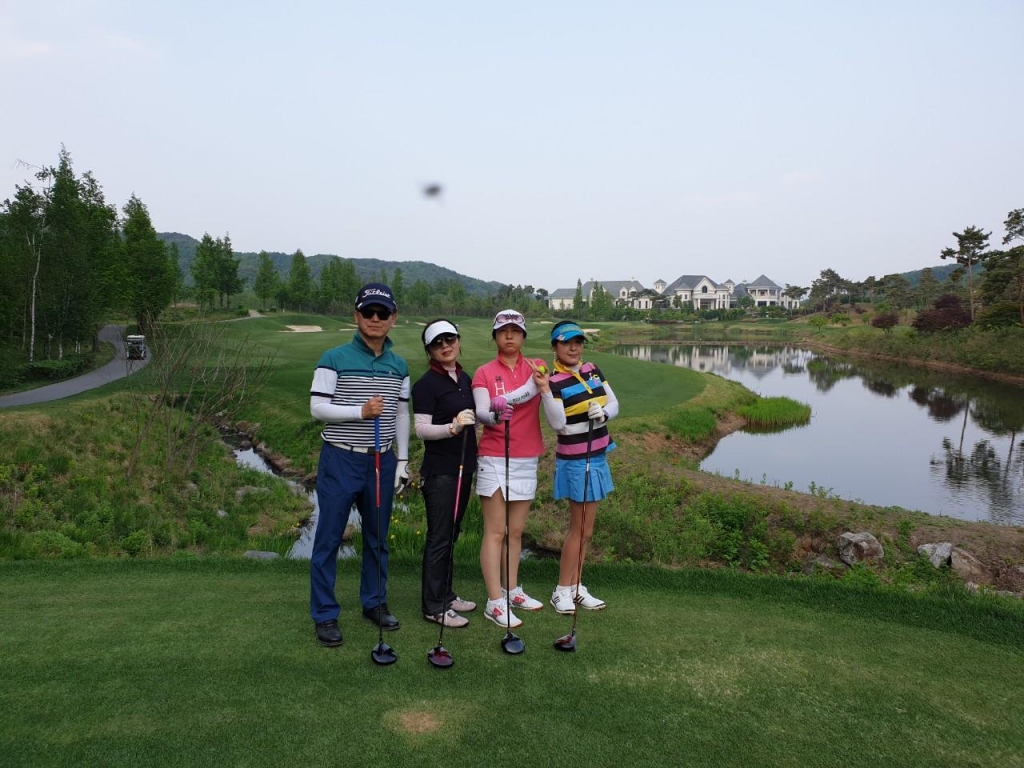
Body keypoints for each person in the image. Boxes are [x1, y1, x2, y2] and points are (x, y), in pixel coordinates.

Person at [307, 283, 411, 647]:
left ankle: (374, 602)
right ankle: (325, 614)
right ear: (356, 316)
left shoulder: (399, 365)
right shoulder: (333, 357)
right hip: (340, 457)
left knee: (378, 538)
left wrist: (403, 459)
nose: (375, 319)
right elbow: (317, 408)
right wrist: (360, 412)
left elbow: (401, 413)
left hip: (381, 460)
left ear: (393, 319)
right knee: (329, 537)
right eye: (369, 312)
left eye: (383, 313)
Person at [472, 309, 554, 628]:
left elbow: (537, 390)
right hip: (494, 455)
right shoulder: (483, 372)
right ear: (495, 335)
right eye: (503, 330)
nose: (509, 336)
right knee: (496, 531)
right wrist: (495, 414)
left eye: (515, 331)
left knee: (516, 531)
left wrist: (506, 398)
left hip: (526, 455)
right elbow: (482, 411)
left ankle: (511, 590)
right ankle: (494, 602)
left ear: (523, 336)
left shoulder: (537, 366)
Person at [542, 320, 618, 614]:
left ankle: (576, 585)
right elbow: (558, 424)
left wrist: (604, 414)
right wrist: (588, 417)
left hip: (598, 456)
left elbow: (614, 403)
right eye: (566, 343)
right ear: (555, 347)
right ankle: (562, 590)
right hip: (576, 460)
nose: (573, 348)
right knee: (579, 528)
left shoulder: (592, 370)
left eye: (578, 342)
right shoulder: (553, 381)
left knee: (587, 530)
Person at [411, 319, 479, 628]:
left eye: (449, 339)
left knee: (451, 534)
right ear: (429, 350)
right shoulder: (426, 385)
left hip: (463, 469)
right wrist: (452, 427)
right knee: (439, 538)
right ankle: (433, 605)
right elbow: (421, 429)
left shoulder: (464, 378)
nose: (445, 346)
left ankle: (447, 595)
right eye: (437, 343)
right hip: (440, 473)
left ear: (458, 340)